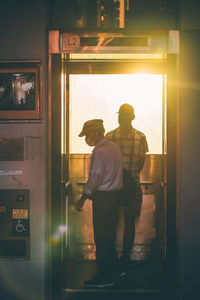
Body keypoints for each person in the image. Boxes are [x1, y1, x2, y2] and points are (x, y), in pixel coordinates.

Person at [75, 119, 123, 288]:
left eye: (87, 135)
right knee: (109, 236)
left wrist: (82, 199)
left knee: (101, 238)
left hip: (103, 199)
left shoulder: (100, 151)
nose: (86, 139)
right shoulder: (114, 148)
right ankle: (114, 271)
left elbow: (95, 178)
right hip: (115, 197)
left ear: (95, 133)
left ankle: (104, 277)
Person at [106, 103, 149, 266]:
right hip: (131, 183)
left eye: (123, 115)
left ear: (131, 117)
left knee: (113, 221)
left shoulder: (110, 136)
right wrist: (131, 176)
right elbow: (141, 161)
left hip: (114, 185)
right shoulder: (140, 137)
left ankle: (115, 256)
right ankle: (125, 256)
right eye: (120, 115)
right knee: (129, 221)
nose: (120, 117)